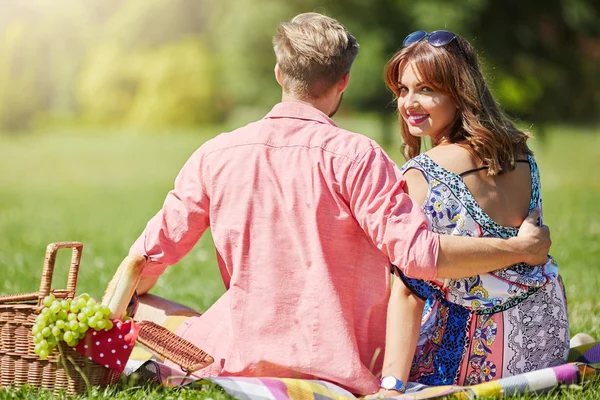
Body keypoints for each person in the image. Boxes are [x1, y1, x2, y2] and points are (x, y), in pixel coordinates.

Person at [126, 15, 551, 396]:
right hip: (347, 361)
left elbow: (148, 257)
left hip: (242, 352)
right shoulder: (361, 158)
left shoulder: (215, 154)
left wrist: (119, 304)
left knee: (143, 308)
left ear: (279, 73)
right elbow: (419, 257)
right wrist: (521, 248)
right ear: (343, 80)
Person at [371, 30, 569, 397]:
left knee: (368, 348)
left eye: (426, 89)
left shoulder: (421, 175)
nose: (409, 103)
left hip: (478, 357)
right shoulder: (522, 154)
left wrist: (391, 387)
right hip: (546, 341)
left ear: (459, 92)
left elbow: (407, 291)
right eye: (403, 90)